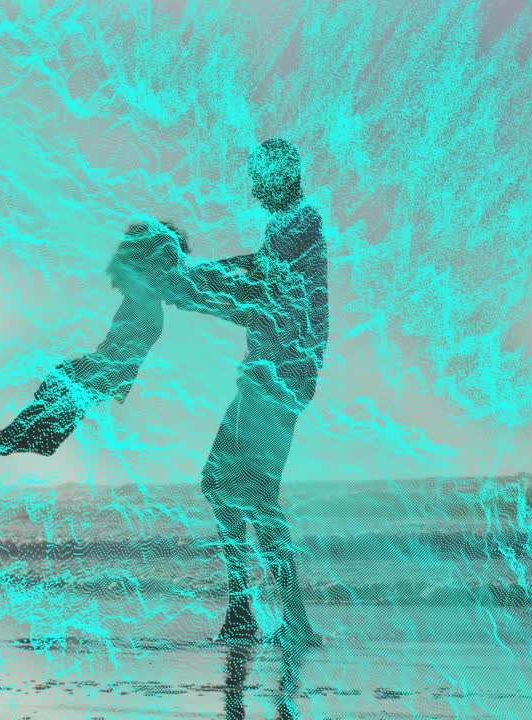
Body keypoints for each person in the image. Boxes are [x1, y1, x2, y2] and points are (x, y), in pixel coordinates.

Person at [111, 138, 329, 648]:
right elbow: (254, 284)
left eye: (259, 178)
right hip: (273, 376)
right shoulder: (291, 228)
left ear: (279, 177)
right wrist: (189, 283)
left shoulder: (299, 225)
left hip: (277, 378)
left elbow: (255, 288)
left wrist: (184, 282)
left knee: (246, 492)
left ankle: (279, 617)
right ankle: (247, 611)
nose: (253, 190)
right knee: (223, 484)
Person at [0, 221, 189, 507]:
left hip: (84, 385)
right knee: (16, 440)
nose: (177, 269)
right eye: (171, 261)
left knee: (31, 444)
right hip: (78, 383)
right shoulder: (141, 297)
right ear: (154, 262)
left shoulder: (147, 298)